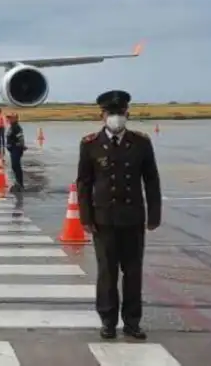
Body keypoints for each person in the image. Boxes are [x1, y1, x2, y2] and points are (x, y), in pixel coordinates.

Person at [77, 89, 161, 341]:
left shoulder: (141, 143)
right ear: (102, 115)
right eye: (111, 113)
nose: (116, 117)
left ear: (127, 113)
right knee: (107, 273)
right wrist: (85, 217)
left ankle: (132, 322)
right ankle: (108, 321)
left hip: (132, 218)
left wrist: (154, 215)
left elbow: (151, 180)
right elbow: (83, 182)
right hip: (104, 220)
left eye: (120, 112)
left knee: (133, 272)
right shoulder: (90, 144)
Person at [4, 113, 27, 211]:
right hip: (13, 149)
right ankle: (18, 182)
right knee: (14, 166)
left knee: (16, 165)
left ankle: (20, 184)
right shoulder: (11, 127)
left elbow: (21, 139)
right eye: (8, 118)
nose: (8, 119)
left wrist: (20, 146)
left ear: (15, 118)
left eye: (10, 118)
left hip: (16, 149)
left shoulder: (17, 127)